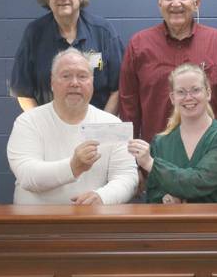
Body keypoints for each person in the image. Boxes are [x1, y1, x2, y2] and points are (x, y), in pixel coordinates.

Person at [119, 0, 217, 144]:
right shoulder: (138, 45)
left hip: (212, 156)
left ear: (196, 3)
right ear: (159, 3)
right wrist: (132, 163)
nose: (176, 3)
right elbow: (128, 109)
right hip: (155, 159)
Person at [8, 48, 138, 204]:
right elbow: (27, 175)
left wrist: (103, 197)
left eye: (82, 76)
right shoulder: (28, 122)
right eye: (66, 76)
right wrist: (72, 167)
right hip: (34, 223)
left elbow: (127, 177)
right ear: (52, 82)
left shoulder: (112, 125)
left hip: (91, 221)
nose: (75, 83)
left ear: (92, 82)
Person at [128, 63, 217, 204]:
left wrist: (150, 163)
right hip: (178, 224)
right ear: (172, 98)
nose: (188, 97)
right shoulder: (161, 143)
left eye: (195, 90)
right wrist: (166, 199)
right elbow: (154, 193)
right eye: (181, 92)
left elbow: (199, 181)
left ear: (208, 93)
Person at [10, 0, 123, 114]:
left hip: (96, 130)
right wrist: (42, 126)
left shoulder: (103, 32)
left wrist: (100, 128)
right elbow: (23, 92)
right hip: (50, 130)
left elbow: (119, 89)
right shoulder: (34, 34)